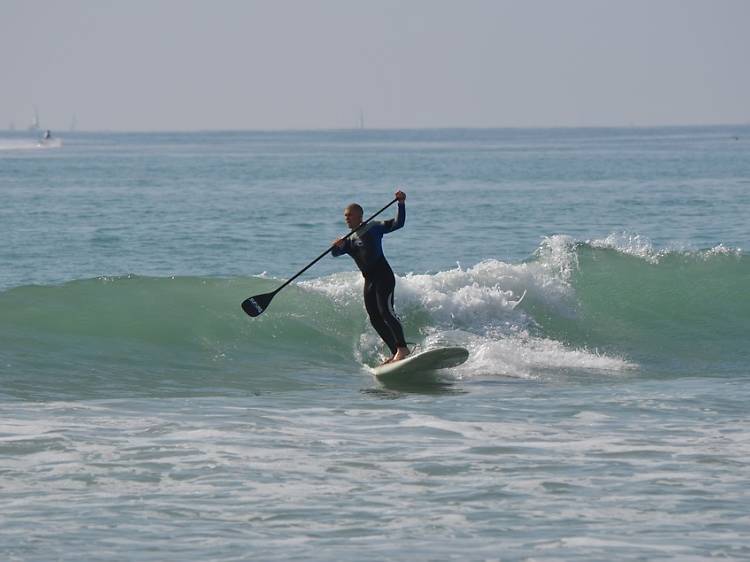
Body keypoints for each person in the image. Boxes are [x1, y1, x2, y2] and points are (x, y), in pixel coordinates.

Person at [332, 190, 410, 364]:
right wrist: (336, 246)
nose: (347, 218)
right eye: (345, 216)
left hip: (383, 276)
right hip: (369, 281)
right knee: (374, 318)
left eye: (350, 215)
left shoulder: (373, 228)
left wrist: (401, 203)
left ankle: (403, 348)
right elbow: (335, 254)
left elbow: (399, 223)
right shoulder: (349, 240)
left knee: (386, 312)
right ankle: (396, 352)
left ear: (360, 216)